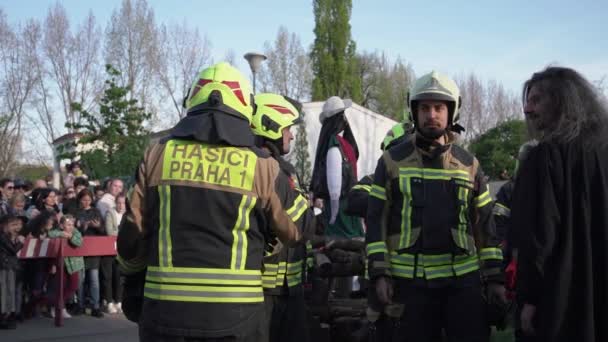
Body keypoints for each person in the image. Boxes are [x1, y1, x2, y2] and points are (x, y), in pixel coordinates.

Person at [116, 62, 305, 342]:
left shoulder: (157, 155)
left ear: (193, 101)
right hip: (238, 319)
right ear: (244, 107)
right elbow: (297, 230)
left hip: (164, 314)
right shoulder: (262, 166)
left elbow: (132, 234)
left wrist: (131, 281)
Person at [366, 71, 505, 342]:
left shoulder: (469, 165)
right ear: (414, 112)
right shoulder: (391, 161)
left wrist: (495, 279)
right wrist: (380, 273)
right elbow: (376, 221)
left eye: (439, 107)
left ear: (451, 112)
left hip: (462, 286)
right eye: (425, 107)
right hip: (410, 287)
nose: (432, 114)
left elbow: (485, 227)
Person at [512, 66, 608, 342]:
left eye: (537, 99)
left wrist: (530, 298)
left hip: (561, 301)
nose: (527, 110)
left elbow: (539, 236)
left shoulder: (543, 157)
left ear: (563, 100)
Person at [251, 93, 313, 342]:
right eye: (288, 128)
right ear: (271, 125)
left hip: (287, 287)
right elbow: (304, 223)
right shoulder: (273, 171)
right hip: (265, 292)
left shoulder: (280, 169)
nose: (291, 135)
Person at [311, 96, 363, 239]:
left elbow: (335, 187)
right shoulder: (342, 145)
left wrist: (333, 214)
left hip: (342, 210)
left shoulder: (336, 144)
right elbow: (336, 186)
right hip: (346, 209)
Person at [74, 189, 104, 318]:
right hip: (80, 249)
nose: (86, 202)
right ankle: (80, 305)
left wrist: (97, 227)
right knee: (80, 279)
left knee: (94, 279)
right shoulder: (76, 212)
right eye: (84, 199)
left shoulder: (96, 212)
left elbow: (103, 231)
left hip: (93, 250)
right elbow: (72, 231)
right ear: (80, 200)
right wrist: (82, 227)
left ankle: (95, 306)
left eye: (88, 199)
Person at [46, 215, 83, 319]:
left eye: (72, 224)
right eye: (68, 224)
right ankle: (58, 308)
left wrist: (70, 236)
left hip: (74, 264)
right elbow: (50, 233)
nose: (71, 226)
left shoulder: (76, 232)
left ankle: (59, 305)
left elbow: (79, 242)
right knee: (60, 286)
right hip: (61, 263)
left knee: (73, 286)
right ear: (62, 225)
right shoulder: (58, 231)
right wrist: (61, 233)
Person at [102, 194, 126, 314]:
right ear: (115, 203)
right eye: (119, 203)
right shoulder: (110, 213)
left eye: (123, 203)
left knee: (120, 277)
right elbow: (110, 232)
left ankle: (119, 301)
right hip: (109, 250)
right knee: (108, 277)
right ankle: (109, 302)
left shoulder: (127, 215)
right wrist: (123, 233)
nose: (121, 206)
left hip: (122, 251)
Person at [0, 215, 24, 329]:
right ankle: (3, 316)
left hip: (11, 266)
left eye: (16, 225)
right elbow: (12, 250)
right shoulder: (3, 237)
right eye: (13, 225)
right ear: (5, 226)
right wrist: (20, 242)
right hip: (4, 266)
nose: (16, 228)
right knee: (4, 292)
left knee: (10, 291)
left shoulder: (9, 236)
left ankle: (9, 314)